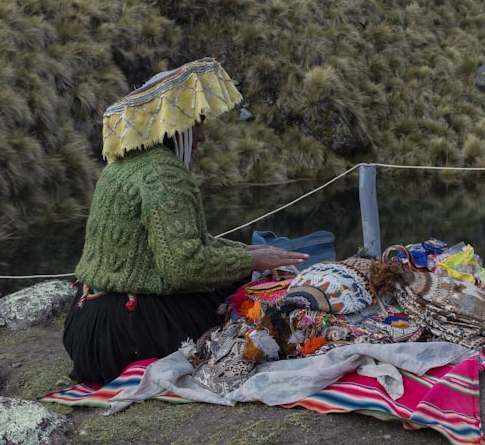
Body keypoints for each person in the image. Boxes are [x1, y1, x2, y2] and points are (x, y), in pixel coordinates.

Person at [63, 58, 308, 384]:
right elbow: (183, 267)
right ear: (176, 127)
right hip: (120, 334)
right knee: (237, 307)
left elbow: (179, 250)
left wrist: (248, 256)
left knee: (234, 279)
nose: (203, 135)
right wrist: (251, 260)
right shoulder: (164, 175)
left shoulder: (124, 165)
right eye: (198, 124)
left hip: (85, 328)